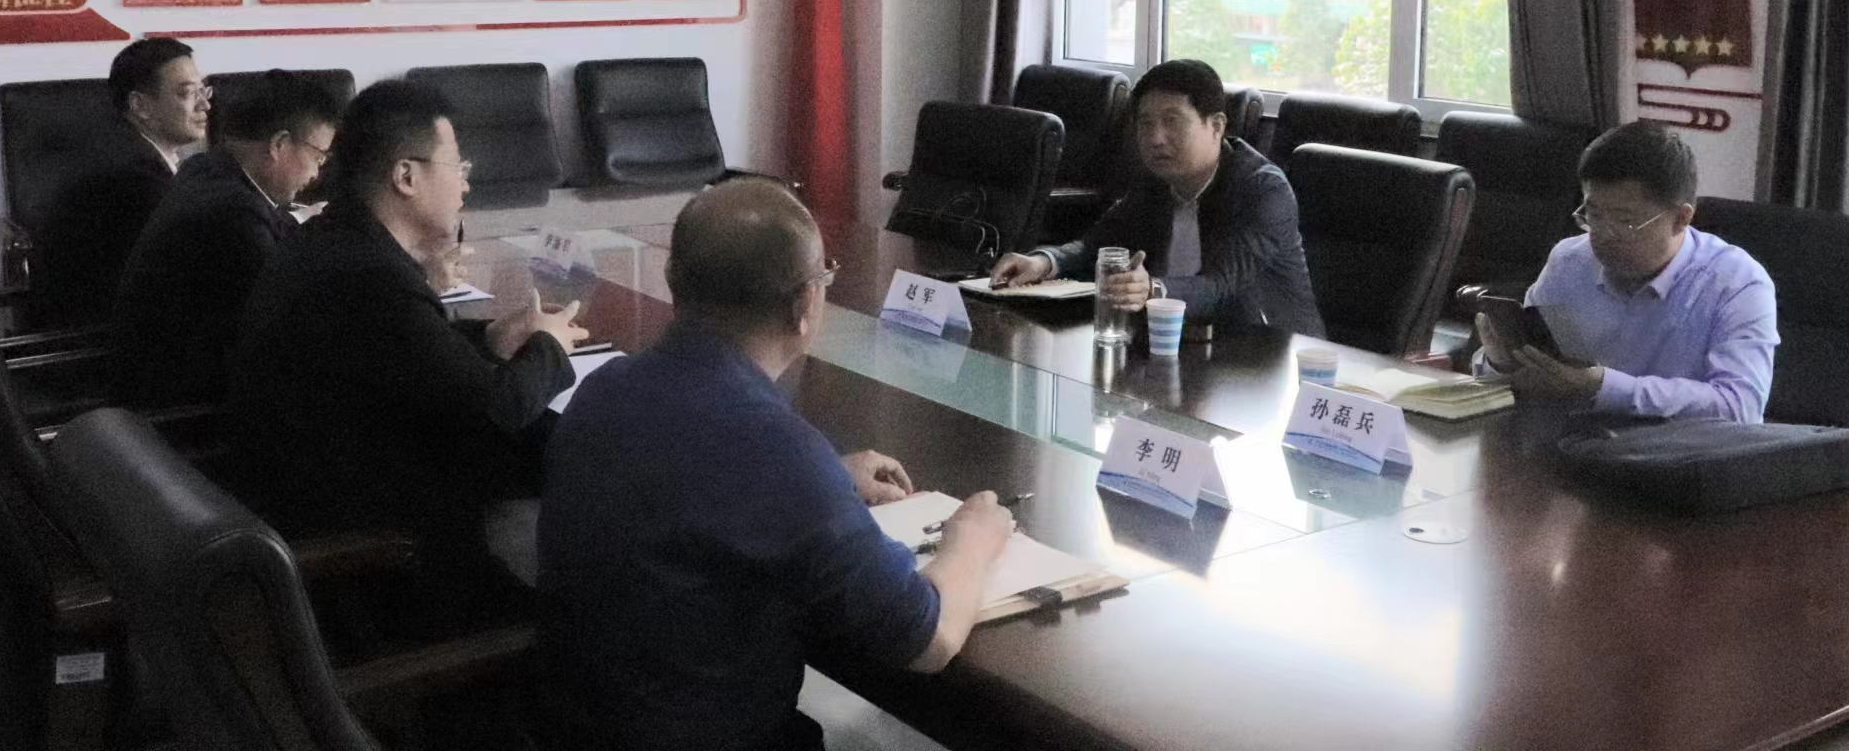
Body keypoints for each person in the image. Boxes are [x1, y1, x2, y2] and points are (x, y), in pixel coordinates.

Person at [537, 179, 1014, 751]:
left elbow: (705, 479)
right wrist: (972, 539)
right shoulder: (777, 451)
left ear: (673, 282)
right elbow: (926, 639)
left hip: (576, 728)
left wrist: (828, 477)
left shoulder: (605, 388)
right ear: (804, 305)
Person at [227, 79, 585, 636]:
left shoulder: (334, 239)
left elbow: (404, 351)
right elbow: (496, 410)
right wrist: (550, 346)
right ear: (406, 176)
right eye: (458, 166)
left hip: (327, 492)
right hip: (373, 560)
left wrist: (492, 338)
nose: (466, 184)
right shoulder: (367, 276)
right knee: (573, 467)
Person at [988, 58, 1322, 336]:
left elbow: (1220, 286)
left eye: (1171, 121)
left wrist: (1152, 289)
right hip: (1180, 343)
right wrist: (1044, 262)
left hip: (1268, 356)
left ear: (1217, 126)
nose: (1156, 138)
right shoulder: (1155, 182)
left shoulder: (1262, 190)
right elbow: (1096, 245)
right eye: (1145, 123)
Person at [1475, 120, 1778, 424]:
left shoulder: (1736, 284)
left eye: (1625, 221)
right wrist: (1501, 362)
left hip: (1677, 451)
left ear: (1680, 218)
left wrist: (1602, 386)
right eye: (1594, 215)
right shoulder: (1569, 261)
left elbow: (1741, 407)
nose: (1603, 235)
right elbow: (1531, 370)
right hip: (1569, 441)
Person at [113, 69, 340, 407]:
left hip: (163, 385)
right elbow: (291, 323)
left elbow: (276, 230)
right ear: (279, 145)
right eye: (319, 156)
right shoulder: (233, 217)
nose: (316, 173)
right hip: (185, 414)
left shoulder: (207, 169)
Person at [28, 38, 210, 330]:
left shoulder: (125, 149)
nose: (204, 104)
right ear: (140, 106)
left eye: (204, 90)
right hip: (94, 344)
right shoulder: (133, 179)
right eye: (188, 93)